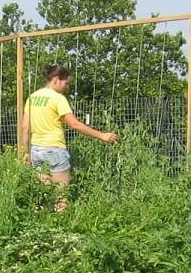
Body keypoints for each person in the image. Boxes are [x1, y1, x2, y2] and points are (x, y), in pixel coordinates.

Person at [20, 63, 118, 207]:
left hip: (36, 151)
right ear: (56, 80)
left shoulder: (32, 97)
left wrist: (25, 152)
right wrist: (102, 135)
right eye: (66, 83)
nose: (67, 87)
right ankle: (61, 227)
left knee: (42, 195)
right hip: (54, 149)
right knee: (61, 196)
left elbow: (24, 127)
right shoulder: (58, 99)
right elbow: (75, 125)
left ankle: (39, 225)